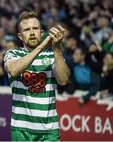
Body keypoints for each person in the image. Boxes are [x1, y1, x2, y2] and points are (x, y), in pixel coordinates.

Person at [4, 11, 70, 141]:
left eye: (35, 28)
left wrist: (56, 48)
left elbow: (63, 80)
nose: (32, 32)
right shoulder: (12, 54)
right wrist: (41, 47)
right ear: (20, 36)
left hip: (49, 131)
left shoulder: (52, 56)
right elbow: (13, 70)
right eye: (27, 30)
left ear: (41, 32)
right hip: (21, 129)